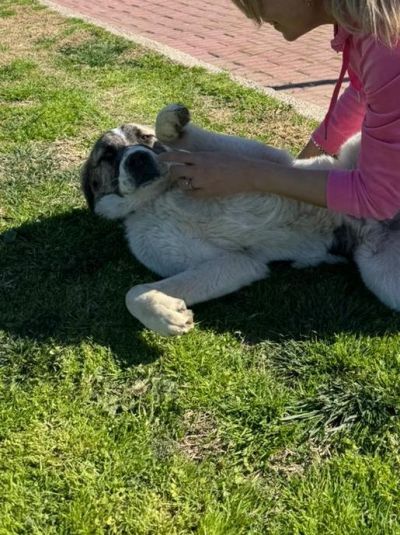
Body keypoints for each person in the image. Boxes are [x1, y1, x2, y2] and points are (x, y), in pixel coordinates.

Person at [158, 0, 400, 221]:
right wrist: (300, 165)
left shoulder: (384, 44)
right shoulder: (365, 24)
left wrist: (247, 175)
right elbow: (361, 92)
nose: (253, 16)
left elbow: (377, 197)